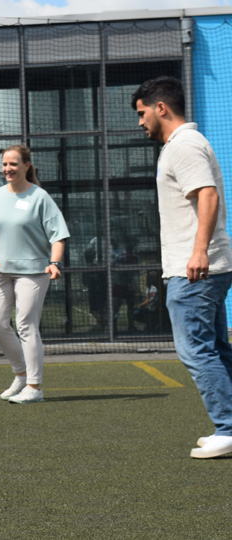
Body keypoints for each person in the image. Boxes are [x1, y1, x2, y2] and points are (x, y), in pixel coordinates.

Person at [132, 75, 232, 459]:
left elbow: (206, 193)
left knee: (195, 350)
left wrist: (199, 251)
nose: (140, 122)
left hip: (194, 270)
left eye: (143, 113)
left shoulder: (183, 144)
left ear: (161, 108)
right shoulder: (185, 143)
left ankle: (228, 426)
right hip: (201, 266)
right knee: (217, 349)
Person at [0, 145, 69, 404]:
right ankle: (21, 373)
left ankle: (34, 386)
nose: (8, 168)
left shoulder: (39, 197)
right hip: (1, 273)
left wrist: (54, 262)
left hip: (34, 272)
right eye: (5, 164)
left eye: (13, 164)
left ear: (26, 166)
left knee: (26, 326)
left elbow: (58, 236)